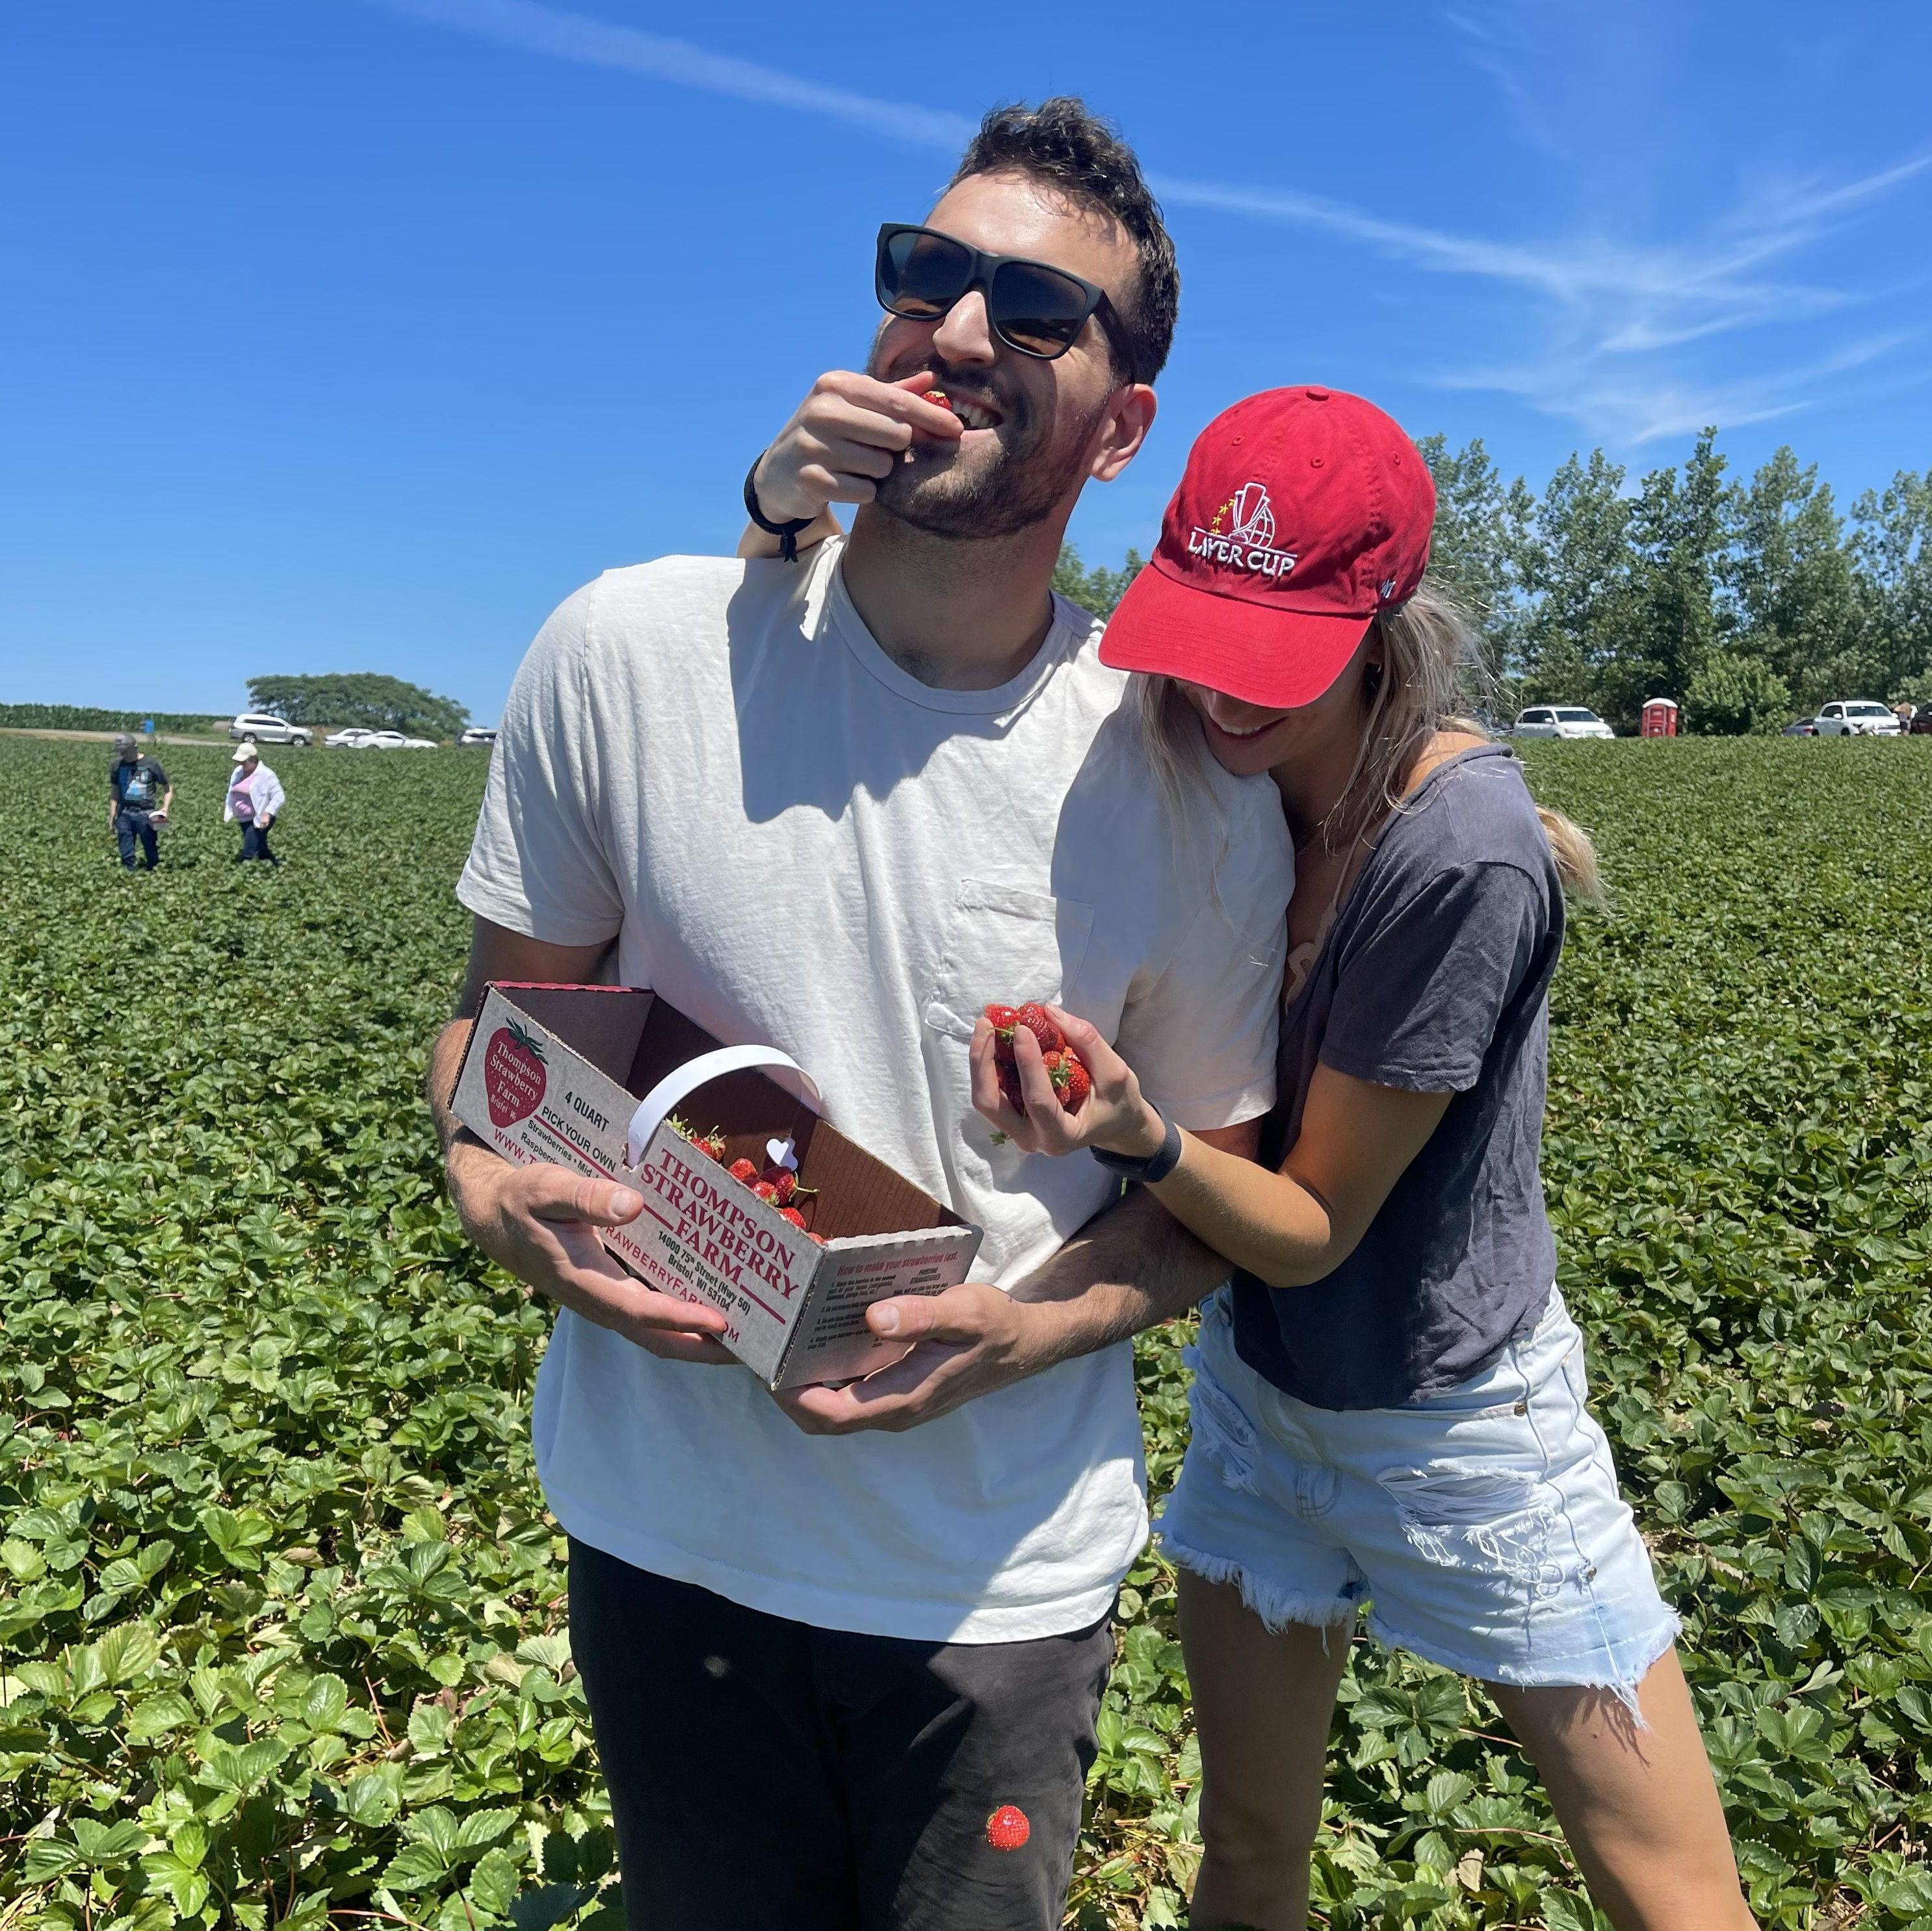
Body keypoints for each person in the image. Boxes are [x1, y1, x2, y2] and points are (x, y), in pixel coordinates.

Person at [428, 101, 1295, 1931]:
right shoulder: (627, 650)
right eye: (928, 273)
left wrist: (1029, 1332)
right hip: (664, 1543)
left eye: (1037, 312)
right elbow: (494, 1041)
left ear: (1126, 424)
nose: (959, 330)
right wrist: (487, 1189)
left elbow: (1207, 1200)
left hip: (989, 1590)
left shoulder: (1182, 790)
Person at [950, 389, 1756, 1930]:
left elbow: (1311, 1223)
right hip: (1261, 1409)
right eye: (1203, 632)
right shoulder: (1220, 786)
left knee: (1667, 1890)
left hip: (1462, 1429)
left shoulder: (1458, 849)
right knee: (1246, 1849)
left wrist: (1135, 1129)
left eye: (1278, 650)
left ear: (1384, 616)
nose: (1222, 695)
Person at [108, 734, 172, 870]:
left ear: (134, 748)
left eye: (125, 751)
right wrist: (112, 813)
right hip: (124, 812)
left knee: (150, 847)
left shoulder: (151, 763)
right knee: (125, 848)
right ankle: (129, 874)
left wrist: (165, 808)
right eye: (121, 751)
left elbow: (167, 787)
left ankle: (153, 873)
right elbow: (115, 790)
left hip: (145, 813)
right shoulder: (116, 765)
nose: (123, 754)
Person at [224, 742, 284, 862]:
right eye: (239, 761)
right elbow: (232, 791)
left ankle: (244, 873)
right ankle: (275, 865)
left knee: (249, 851)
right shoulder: (238, 772)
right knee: (261, 848)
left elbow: (279, 796)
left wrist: (267, 813)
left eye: (244, 761)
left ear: (253, 759)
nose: (240, 764)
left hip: (261, 818)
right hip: (244, 818)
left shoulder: (266, 775)